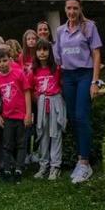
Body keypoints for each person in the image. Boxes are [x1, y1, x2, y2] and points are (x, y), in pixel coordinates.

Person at [54, 0, 102, 184]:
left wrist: (94, 81)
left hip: (84, 75)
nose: (72, 12)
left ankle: (85, 162)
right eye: (69, 8)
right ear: (65, 9)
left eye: (75, 8)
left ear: (80, 8)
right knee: (73, 118)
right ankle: (79, 158)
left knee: (82, 116)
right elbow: (58, 58)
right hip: (68, 77)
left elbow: (96, 54)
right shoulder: (60, 31)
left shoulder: (89, 27)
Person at [0, 47, 32, 183]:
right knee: (7, 145)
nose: (2, 64)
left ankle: (19, 168)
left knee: (21, 144)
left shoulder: (19, 73)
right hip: (7, 117)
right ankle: (7, 169)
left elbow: (27, 92)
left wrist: (28, 114)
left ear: (10, 60)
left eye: (4, 60)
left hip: (21, 116)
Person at [30, 39, 65, 181]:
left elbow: (62, 84)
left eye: (45, 49)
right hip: (42, 103)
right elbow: (31, 89)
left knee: (55, 133)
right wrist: (38, 99)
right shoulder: (34, 70)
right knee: (42, 134)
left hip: (55, 101)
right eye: (39, 50)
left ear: (50, 52)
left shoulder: (56, 69)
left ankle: (55, 166)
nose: (42, 53)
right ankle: (43, 165)